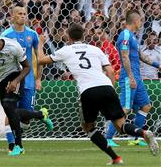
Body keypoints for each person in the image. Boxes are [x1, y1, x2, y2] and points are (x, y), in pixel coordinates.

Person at [38, 23, 159, 165]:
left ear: (69, 37)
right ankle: (143, 133)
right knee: (121, 126)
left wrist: (40, 43)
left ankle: (116, 158)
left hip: (88, 91)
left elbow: (41, 60)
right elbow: (111, 71)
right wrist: (111, 89)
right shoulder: (95, 49)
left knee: (88, 128)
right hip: (107, 87)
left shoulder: (66, 50)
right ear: (83, 36)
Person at [0, 34, 51, 156]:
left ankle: (18, 146)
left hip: (15, 75)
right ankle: (40, 115)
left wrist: (16, 81)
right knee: (11, 112)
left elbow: (27, 67)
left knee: (8, 107)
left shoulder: (13, 47)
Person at [1, 3, 52, 152]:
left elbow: (39, 58)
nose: (23, 16)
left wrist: (38, 79)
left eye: (24, 13)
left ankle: (39, 115)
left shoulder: (32, 34)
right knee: (10, 113)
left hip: (28, 79)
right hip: (12, 79)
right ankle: (13, 146)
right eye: (19, 13)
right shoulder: (6, 35)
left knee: (25, 118)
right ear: (12, 16)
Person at [106, 10, 161, 147]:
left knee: (146, 106)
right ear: (136, 21)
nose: (141, 23)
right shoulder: (125, 35)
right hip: (128, 78)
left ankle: (135, 138)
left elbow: (141, 56)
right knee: (125, 108)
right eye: (140, 21)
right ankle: (108, 138)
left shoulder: (133, 37)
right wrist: (130, 77)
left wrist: (158, 65)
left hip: (138, 78)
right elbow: (124, 56)